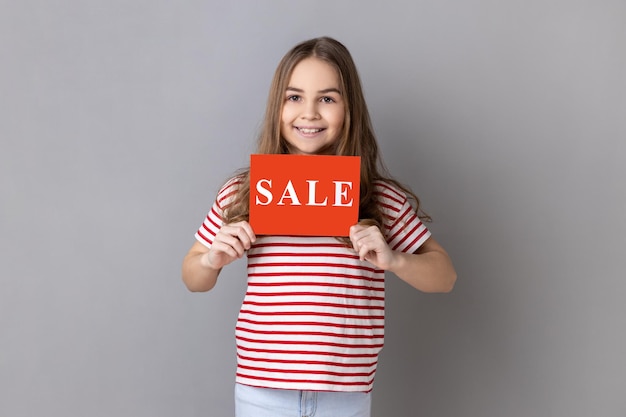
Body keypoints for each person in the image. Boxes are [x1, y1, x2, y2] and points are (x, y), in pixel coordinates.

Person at [182, 36, 457, 417]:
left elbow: (444, 277)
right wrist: (212, 258)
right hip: (262, 390)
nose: (309, 113)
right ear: (277, 106)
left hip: (344, 395)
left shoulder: (376, 198)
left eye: (327, 98)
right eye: (294, 97)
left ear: (349, 109)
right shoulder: (244, 193)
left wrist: (394, 260)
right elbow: (192, 275)